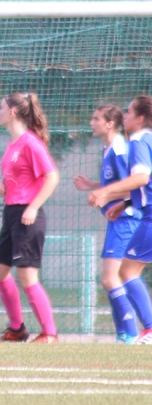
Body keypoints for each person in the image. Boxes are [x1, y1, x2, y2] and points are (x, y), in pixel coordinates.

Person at [0, 92, 60, 344]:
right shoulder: (13, 144)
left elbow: (52, 177)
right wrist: (3, 185)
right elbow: (18, 177)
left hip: (27, 216)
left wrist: (33, 207)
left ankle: (49, 334)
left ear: (12, 113)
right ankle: (17, 329)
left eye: (1, 107)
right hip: (11, 213)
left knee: (27, 276)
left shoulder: (31, 142)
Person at [73, 104, 142, 343]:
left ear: (110, 123)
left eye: (96, 119)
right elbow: (116, 182)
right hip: (118, 221)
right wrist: (94, 186)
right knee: (114, 279)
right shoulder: (109, 147)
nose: (91, 123)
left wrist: (104, 195)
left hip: (127, 220)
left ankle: (132, 333)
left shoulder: (120, 149)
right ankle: (123, 333)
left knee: (112, 278)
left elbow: (134, 188)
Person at [88, 95, 152, 344]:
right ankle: (135, 332)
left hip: (144, 218)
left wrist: (105, 192)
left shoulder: (138, 141)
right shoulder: (143, 140)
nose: (124, 116)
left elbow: (140, 180)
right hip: (140, 214)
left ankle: (142, 331)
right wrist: (124, 202)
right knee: (126, 271)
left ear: (140, 118)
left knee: (123, 273)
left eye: (128, 112)